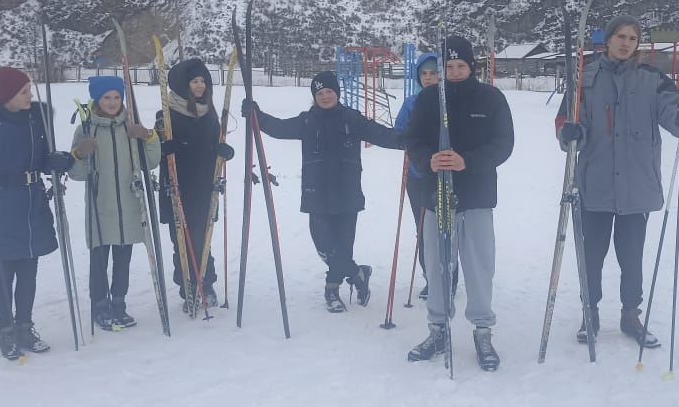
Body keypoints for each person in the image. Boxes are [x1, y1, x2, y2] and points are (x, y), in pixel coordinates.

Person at [555, 15, 679, 348]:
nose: (625, 43)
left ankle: (630, 314)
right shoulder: (585, 79)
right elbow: (566, 119)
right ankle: (589, 312)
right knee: (591, 254)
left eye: (632, 39)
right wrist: (569, 132)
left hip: (637, 186)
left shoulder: (653, 80)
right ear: (607, 41)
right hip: (594, 185)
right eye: (620, 37)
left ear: (639, 44)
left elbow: (674, 113)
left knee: (631, 256)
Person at [241, 71, 402, 313]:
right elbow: (278, 128)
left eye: (329, 92)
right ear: (314, 97)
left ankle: (332, 288)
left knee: (343, 243)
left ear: (336, 93)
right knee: (324, 244)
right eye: (319, 93)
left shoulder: (352, 118)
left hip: (347, 193)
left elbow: (382, 135)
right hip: (316, 194)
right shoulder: (307, 121)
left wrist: (410, 139)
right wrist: (256, 115)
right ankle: (358, 273)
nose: (325, 96)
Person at [404, 35, 514, 372]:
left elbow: (503, 144)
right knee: (438, 264)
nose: (453, 72)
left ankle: (482, 330)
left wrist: (469, 161)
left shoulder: (491, 98)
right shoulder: (426, 99)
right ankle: (438, 329)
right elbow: (413, 140)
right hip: (437, 198)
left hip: (477, 196)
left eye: (459, 66)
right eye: (447, 66)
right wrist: (428, 160)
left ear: (471, 66)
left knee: (480, 265)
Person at [0, 66, 75, 360]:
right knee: (4, 272)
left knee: (29, 270)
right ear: (6, 95)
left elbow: (45, 160)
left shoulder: (36, 120)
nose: (30, 96)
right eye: (24, 92)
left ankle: (24, 326)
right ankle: (5, 330)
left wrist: (60, 161)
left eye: (30, 90)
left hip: (32, 202)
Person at [67, 76, 160, 330]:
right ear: (97, 99)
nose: (112, 102)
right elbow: (76, 174)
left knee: (123, 260)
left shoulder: (130, 127)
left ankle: (119, 303)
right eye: (107, 98)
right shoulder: (87, 129)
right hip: (101, 207)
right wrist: (79, 154)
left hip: (129, 206)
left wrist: (148, 137)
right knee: (99, 261)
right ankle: (99, 306)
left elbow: (150, 162)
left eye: (117, 97)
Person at [155, 58, 234, 310]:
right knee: (181, 238)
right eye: (194, 81)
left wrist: (224, 150)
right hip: (178, 185)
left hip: (203, 184)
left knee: (203, 236)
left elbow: (213, 145)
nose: (200, 86)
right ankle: (187, 283)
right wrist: (163, 148)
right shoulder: (166, 114)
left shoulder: (209, 112)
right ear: (182, 84)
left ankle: (206, 280)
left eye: (203, 81)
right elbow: (151, 150)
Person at [393, 52, 457, 300]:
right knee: (424, 229)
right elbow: (399, 133)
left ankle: (449, 278)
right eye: (424, 73)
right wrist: (410, 137)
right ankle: (431, 277)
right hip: (419, 175)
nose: (429, 78)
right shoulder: (411, 102)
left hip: (449, 174)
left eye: (434, 73)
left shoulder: (450, 100)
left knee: (447, 227)